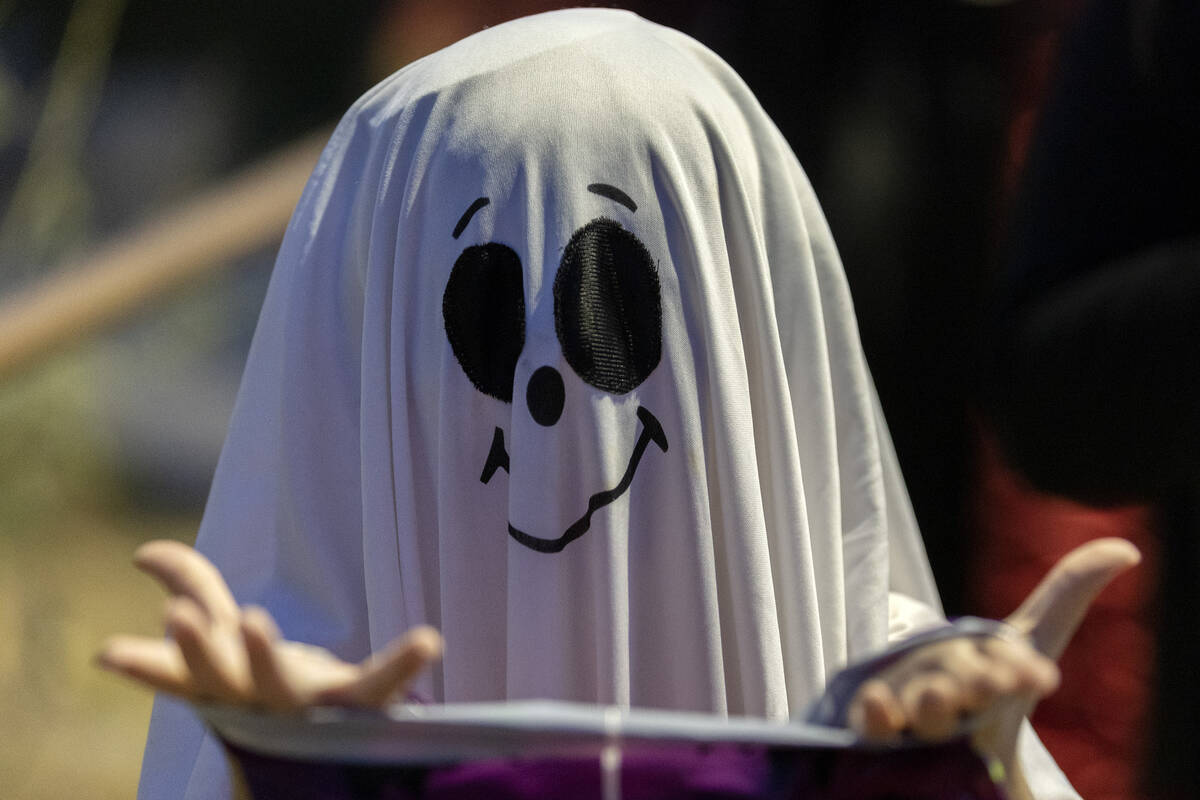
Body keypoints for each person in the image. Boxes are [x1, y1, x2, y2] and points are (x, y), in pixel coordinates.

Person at [97, 10, 1135, 799]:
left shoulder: (922, 720)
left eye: (619, 314)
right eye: (490, 324)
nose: (563, 410)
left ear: (753, 341)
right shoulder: (270, 719)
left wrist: (941, 773)